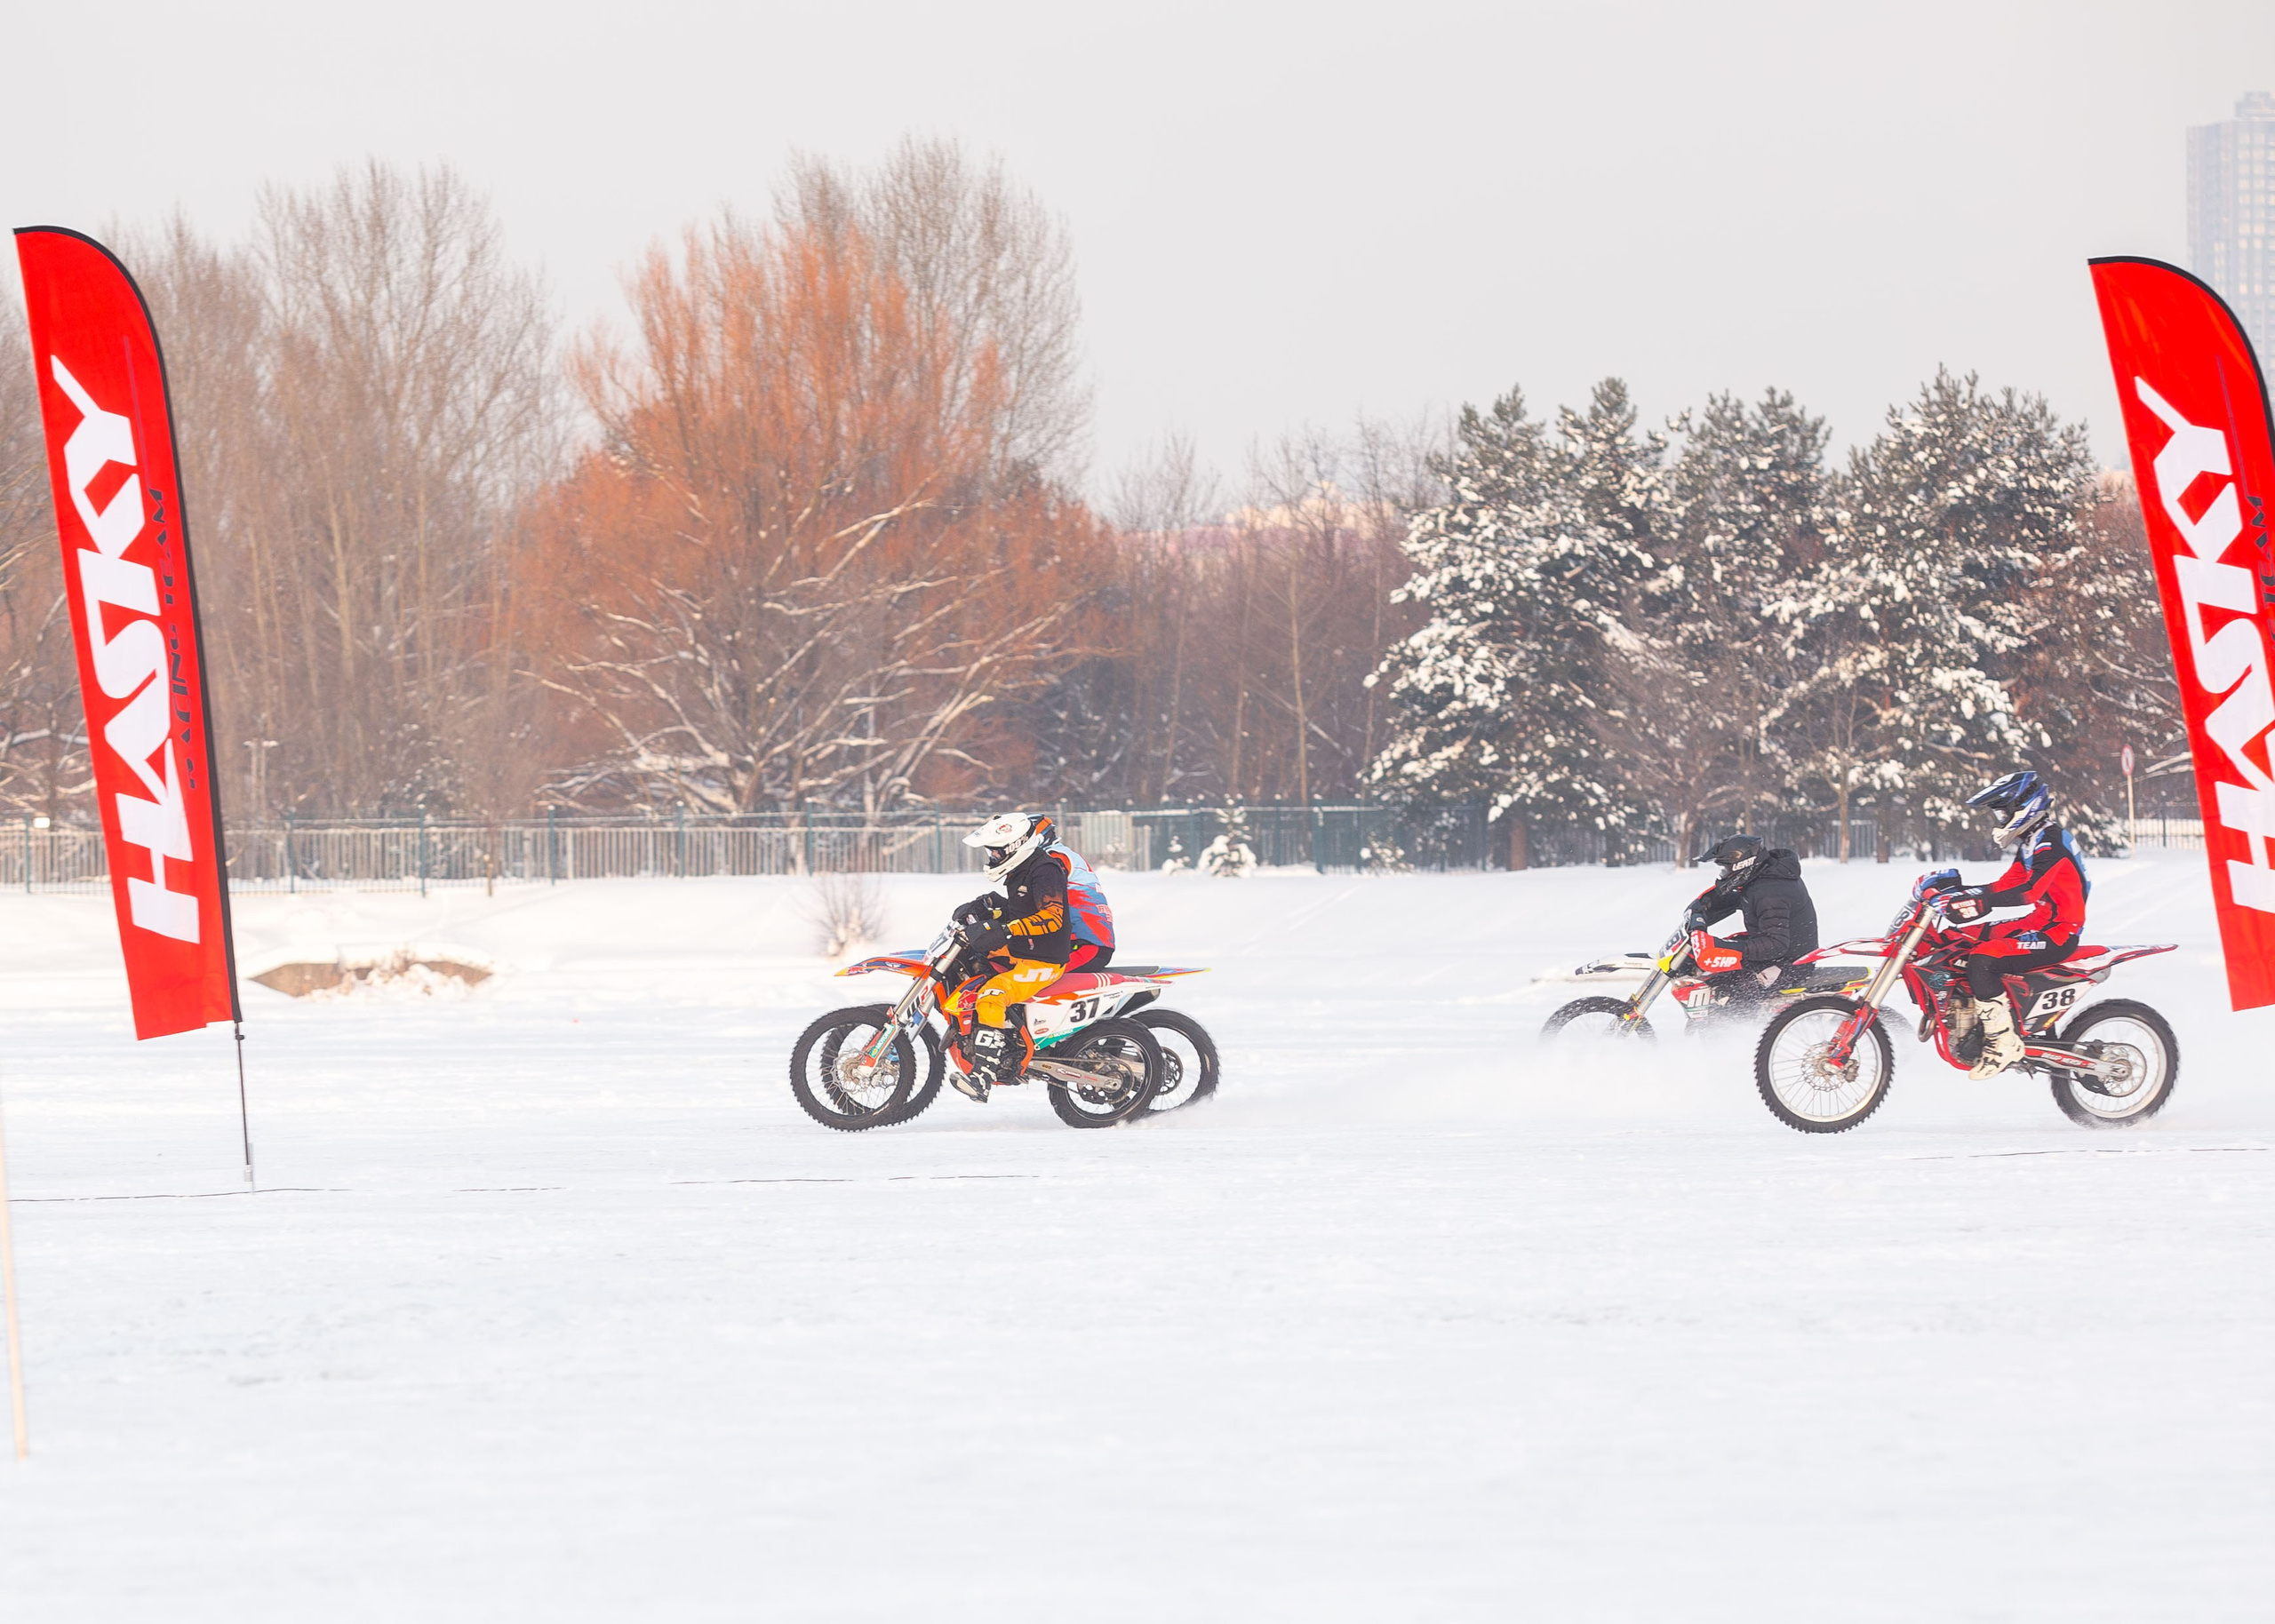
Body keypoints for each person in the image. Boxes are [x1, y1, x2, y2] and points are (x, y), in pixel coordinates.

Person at [1942, 770, 2088, 1080]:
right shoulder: (2034, 840)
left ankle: (2002, 1042)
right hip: (2040, 921)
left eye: (2002, 812)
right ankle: (1974, 1021)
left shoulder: (2051, 841)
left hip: (2059, 931)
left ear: (2023, 807)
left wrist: (1982, 903)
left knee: (1983, 959)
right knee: (1958, 937)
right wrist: (1960, 893)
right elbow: (2008, 883)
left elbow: (2029, 891)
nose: (2000, 820)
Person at [949, 812, 1074, 1097]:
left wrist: (1007, 930)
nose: (993, 857)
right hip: (1021, 951)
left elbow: (1052, 917)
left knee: (991, 996)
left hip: (1043, 960)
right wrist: (989, 907)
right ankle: (997, 1037)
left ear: (1016, 845)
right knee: (969, 964)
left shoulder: (1045, 870)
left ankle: (982, 1077)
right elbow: (1021, 908)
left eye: (996, 851)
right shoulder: (1021, 870)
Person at [1681, 834, 1820, 1005]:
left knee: (1730, 993)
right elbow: (1746, 900)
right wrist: (1706, 907)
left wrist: (1729, 948)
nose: (1723, 874)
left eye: (1725, 869)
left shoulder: (1770, 892)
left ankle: (1742, 1022)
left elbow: (1776, 944)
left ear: (1742, 865)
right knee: (1713, 974)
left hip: (1790, 965)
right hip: (1780, 953)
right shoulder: (1764, 877)